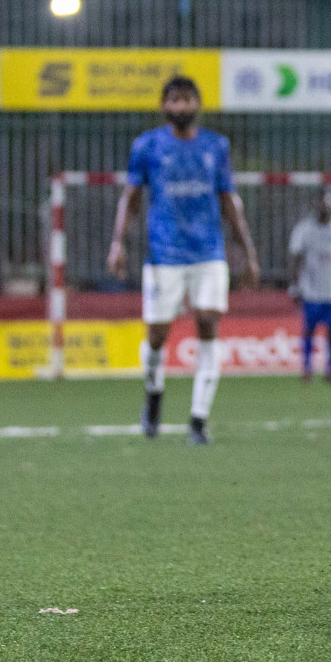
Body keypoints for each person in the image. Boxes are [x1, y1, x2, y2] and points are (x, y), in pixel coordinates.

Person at [107, 76, 260, 445]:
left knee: (208, 322)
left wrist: (247, 251)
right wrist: (118, 243)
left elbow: (228, 200)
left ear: (198, 104)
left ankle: (197, 420)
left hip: (209, 252)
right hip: (164, 255)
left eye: (187, 99)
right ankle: (154, 395)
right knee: (157, 335)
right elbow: (130, 197)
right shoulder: (147, 146)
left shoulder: (216, 146)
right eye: (174, 100)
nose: (180, 106)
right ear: (164, 106)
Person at [287, 187, 331, 382]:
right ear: (315, 205)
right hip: (311, 289)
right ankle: (307, 368)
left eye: (328, 203)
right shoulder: (304, 229)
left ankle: (330, 369)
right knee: (309, 329)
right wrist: (294, 286)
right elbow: (295, 258)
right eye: (321, 203)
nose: (325, 208)